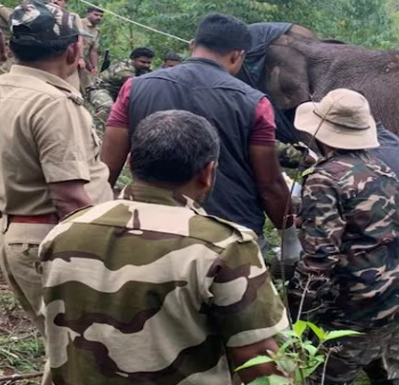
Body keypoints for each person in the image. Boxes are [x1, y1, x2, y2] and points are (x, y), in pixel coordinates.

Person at [40, 110, 289, 384]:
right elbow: (258, 357)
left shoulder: (66, 231)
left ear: (132, 163)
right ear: (207, 173)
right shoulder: (222, 246)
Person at [0, 0, 113, 341]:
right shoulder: (54, 103)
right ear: (75, 50)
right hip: (58, 242)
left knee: (62, 349)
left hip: (18, 236)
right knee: (83, 351)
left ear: (12, 48)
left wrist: (16, 221)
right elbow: (70, 198)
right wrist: (103, 261)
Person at [101, 13, 294, 244]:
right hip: (228, 232)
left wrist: (96, 218)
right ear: (238, 56)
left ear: (192, 46)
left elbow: (107, 168)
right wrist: (290, 237)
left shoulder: (134, 88)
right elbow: (269, 184)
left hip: (147, 227)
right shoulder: (255, 102)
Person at [289, 89, 399, 385]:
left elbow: (320, 259)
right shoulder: (381, 168)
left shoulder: (324, 179)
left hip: (356, 310)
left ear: (320, 134)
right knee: (391, 374)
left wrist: (296, 309)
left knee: (326, 379)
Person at [87, 47, 154, 123]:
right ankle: (96, 130)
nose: (146, 65)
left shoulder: (144, 69)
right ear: (133, 59)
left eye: (149, 63)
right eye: (142, 62)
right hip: (101, 89)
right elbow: (136, 86)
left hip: (118, 93)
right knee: (107, 107)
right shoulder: (123, 69)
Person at [50, 0, 84, 91]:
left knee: (71, 85)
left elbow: (80, 38)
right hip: (50, 55)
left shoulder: (72, 17)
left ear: (65, 3)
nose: (55, 2)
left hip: (68, 54)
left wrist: (80, 57)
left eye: (59, 0)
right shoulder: (45, 16)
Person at [78, 6, 103, 89]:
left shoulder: (96, 31)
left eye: (100, 16)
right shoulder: (79, 23)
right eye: (96, 15)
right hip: (73, 57)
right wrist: (80, 58)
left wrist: (94, 67)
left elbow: (93, 50)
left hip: (84, 61)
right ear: (88, 14)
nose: (98, 17)